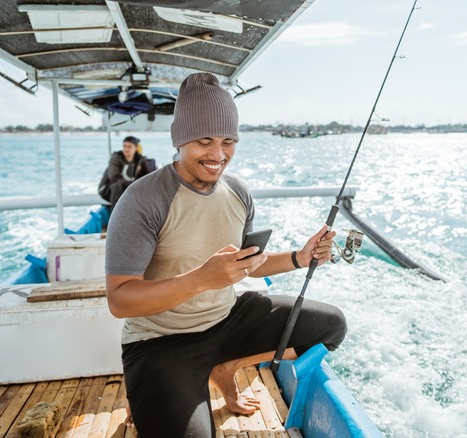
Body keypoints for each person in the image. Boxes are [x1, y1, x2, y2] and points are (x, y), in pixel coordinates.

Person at [104, 72, 347, 437]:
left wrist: (300, 256)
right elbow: (120, 300)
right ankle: (150, 390)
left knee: (331, 326)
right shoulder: (142, 200)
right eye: (204, 141)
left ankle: (224, 367)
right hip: (160, 341)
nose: (218, 155)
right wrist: (201, 279)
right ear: (181, 139)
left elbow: (246, 267)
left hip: (226, 319)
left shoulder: (237, 192)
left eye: (228, 141)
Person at [97, 135, 152, 213]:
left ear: (135, 148)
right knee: (117, 187)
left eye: (129, 147)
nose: (126, 149)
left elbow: (148, 176)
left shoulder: (140, 160)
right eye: (124, 146)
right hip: (108, 190)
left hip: (129, 189)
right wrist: (133, 185)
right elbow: (114, 178)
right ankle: (115, 219)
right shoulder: (116, 158)